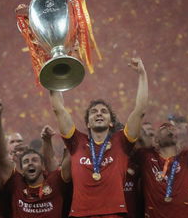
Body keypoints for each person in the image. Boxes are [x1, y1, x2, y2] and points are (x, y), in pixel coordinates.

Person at [49, 57, 148, 217]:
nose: (99, 114)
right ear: (87, 123)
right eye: (94, 112)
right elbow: (58, 109)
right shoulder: (76, 141)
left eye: (104, 111)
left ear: (111, 123)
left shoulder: (121, 142)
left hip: (114, 213)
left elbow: (140, 110)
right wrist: (53, 69)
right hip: (80, 214)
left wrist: (142, 75)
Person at [0, 95, 71, 218]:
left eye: (34, 160)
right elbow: (0, 158)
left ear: (43, 166)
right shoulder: (16, 184)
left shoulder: (55, 182)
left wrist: (48, 141)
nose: (30, 163)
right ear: (22, 170)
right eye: (26, 161)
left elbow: (61, 155)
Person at [135, 122, 188, 218]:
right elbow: (132, 139)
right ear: (156, 139)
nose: (170, 129)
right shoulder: (146, 156)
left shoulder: (187, 155)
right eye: (164, 128)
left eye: (173, 128)